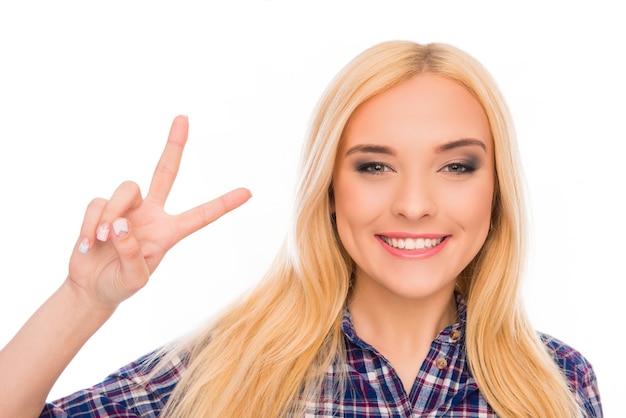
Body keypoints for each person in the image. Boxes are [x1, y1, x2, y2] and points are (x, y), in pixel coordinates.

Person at [0, 40, 602, 417]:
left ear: (494, 191)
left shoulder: (559, 384)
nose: (415, 205)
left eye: (454, 166)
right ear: (330, 190)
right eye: (375, 165)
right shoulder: (229, 368)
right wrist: (81, 299)